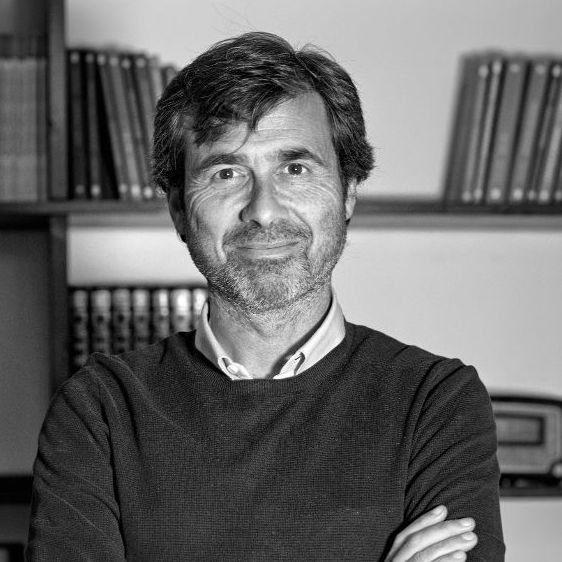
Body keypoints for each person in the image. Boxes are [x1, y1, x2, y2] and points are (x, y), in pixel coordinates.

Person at [27, 32, 504, 561]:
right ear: (179, 209)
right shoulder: (99, 409)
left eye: (295, 169)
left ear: (347, 193)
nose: (264, 210)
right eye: (226, 173)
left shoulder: (437, 402)